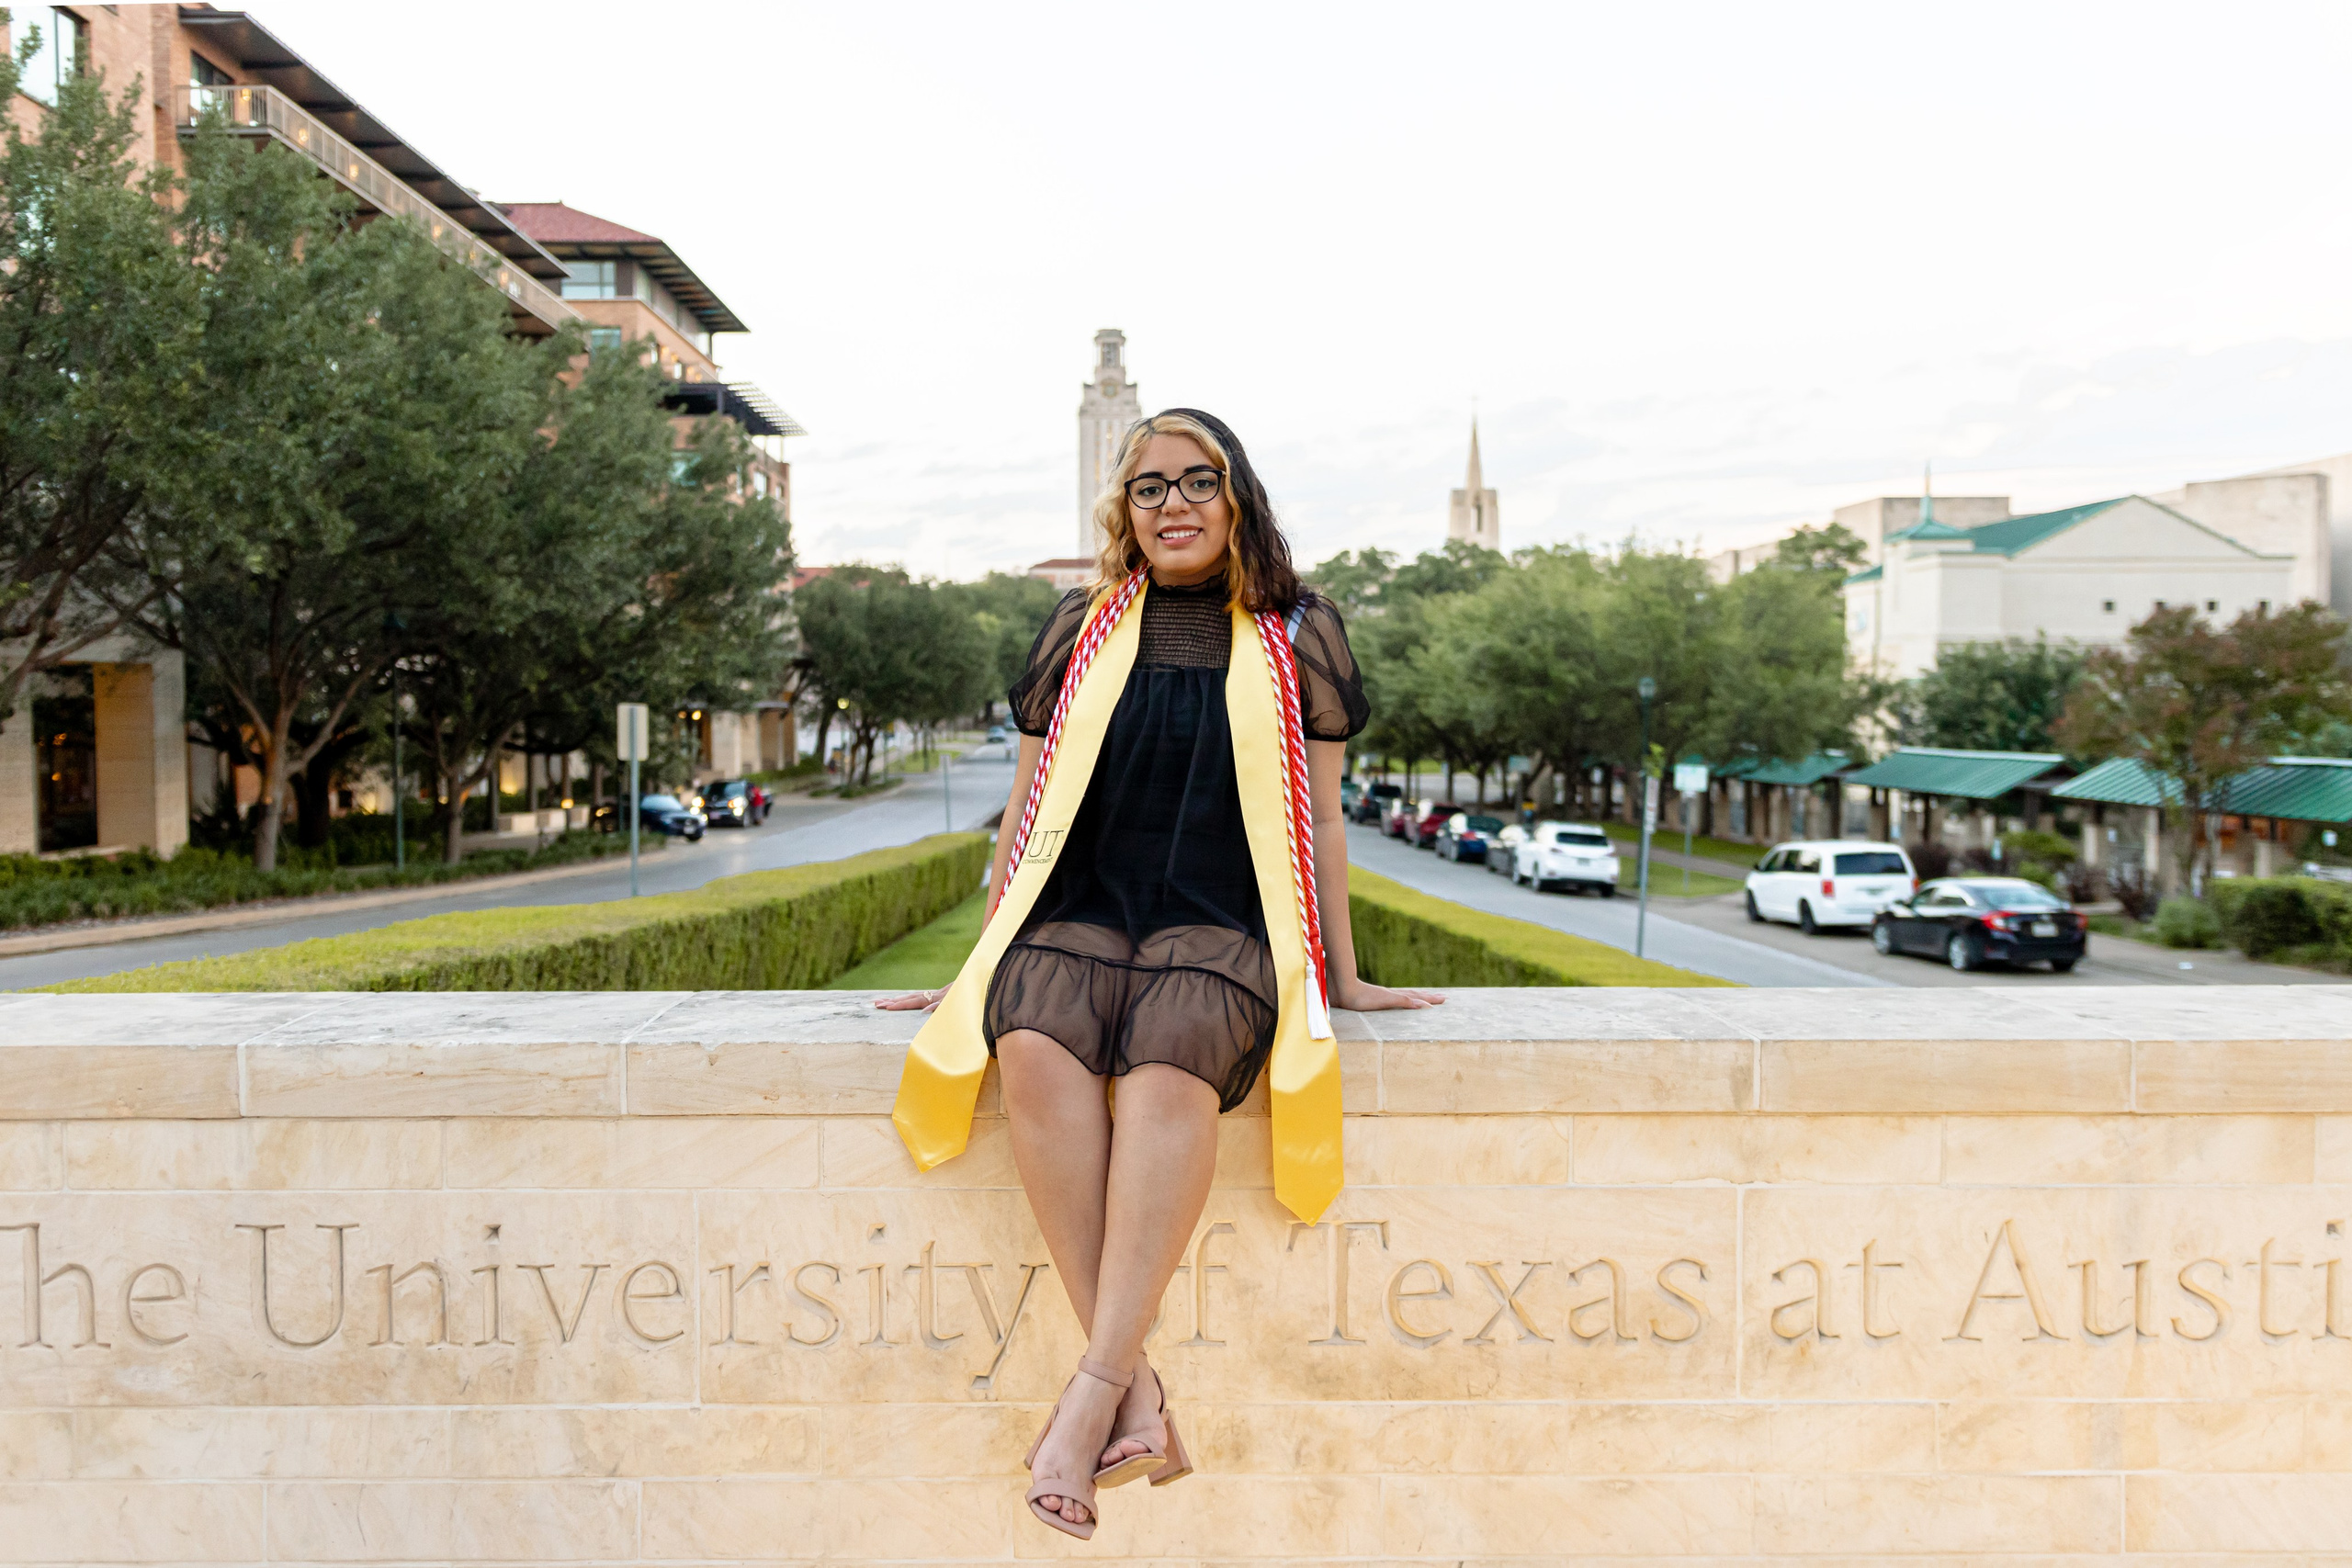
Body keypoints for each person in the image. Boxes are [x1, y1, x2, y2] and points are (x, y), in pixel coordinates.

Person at [879, 409, 1442, 1538]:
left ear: (1238, 498)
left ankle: (1092, 1397)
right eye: (1148, 488)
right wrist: (977, 956)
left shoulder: (1297, 631)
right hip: (1082, 906)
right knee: (1031, 1048)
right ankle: (1129, 1388)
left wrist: (1344, 972)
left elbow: (1321, 815)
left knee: (1169, 1072)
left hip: (1222, 917)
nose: (1173, 504)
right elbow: (1025, 809)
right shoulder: (1080, 628)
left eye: (1197, 482)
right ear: (1121, 511)